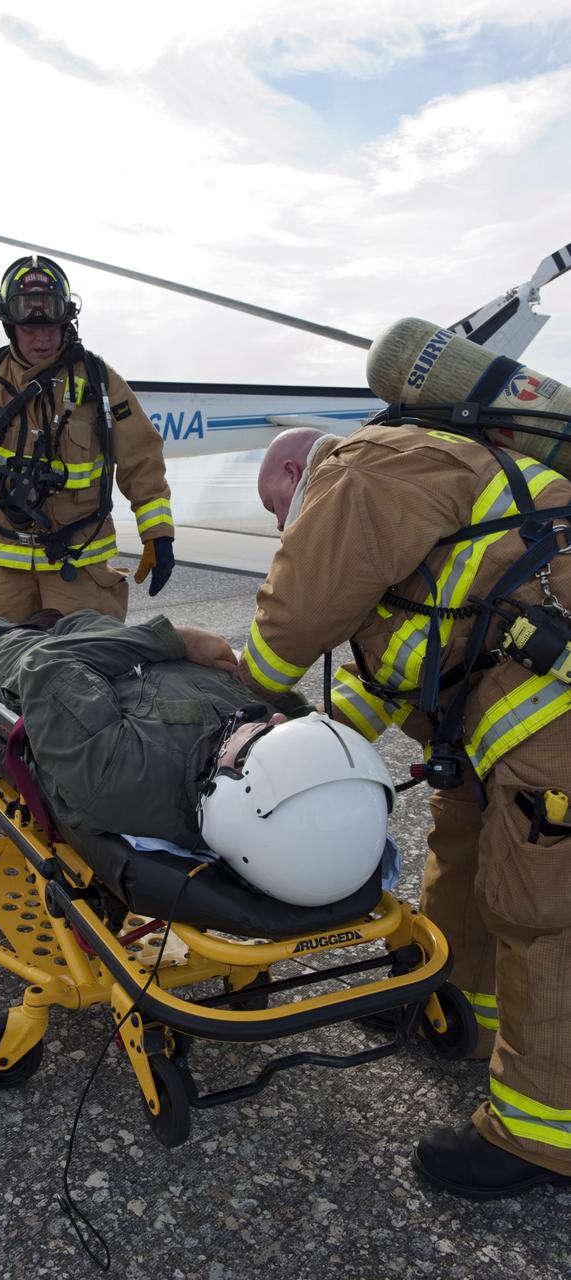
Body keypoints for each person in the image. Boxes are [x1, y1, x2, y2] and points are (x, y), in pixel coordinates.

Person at [243, 422, 571, 1199]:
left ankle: (541, 1137)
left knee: (544, 918)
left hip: (552, 731)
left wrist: (238, 712)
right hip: (506, 726)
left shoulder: (359, 469)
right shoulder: (424, 484)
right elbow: (394, 663)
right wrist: (310, 744)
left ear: (298, 468)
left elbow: (288, 626)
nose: (283, 527)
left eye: (278, 511)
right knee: (462, 851)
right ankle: (454, 1008)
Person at [0, 606, 394, 908]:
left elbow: (51, 666)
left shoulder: (123, 774)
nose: (274, 723)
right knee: (75, 620)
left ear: (237, 797)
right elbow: (294, 734)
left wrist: (173, 639)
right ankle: (60, 619)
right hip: (129, 663)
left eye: (261, 743)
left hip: (54, 669)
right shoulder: (270, 770)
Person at [0, 254, 174, 622]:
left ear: (66, 323)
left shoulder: (99, 381)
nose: (42, 337)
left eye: (51, 326)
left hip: (79, 569)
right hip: (2, 571)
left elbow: (141, 459)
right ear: (9, 326)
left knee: (85, 669)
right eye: (30, 328)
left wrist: (157, 534)